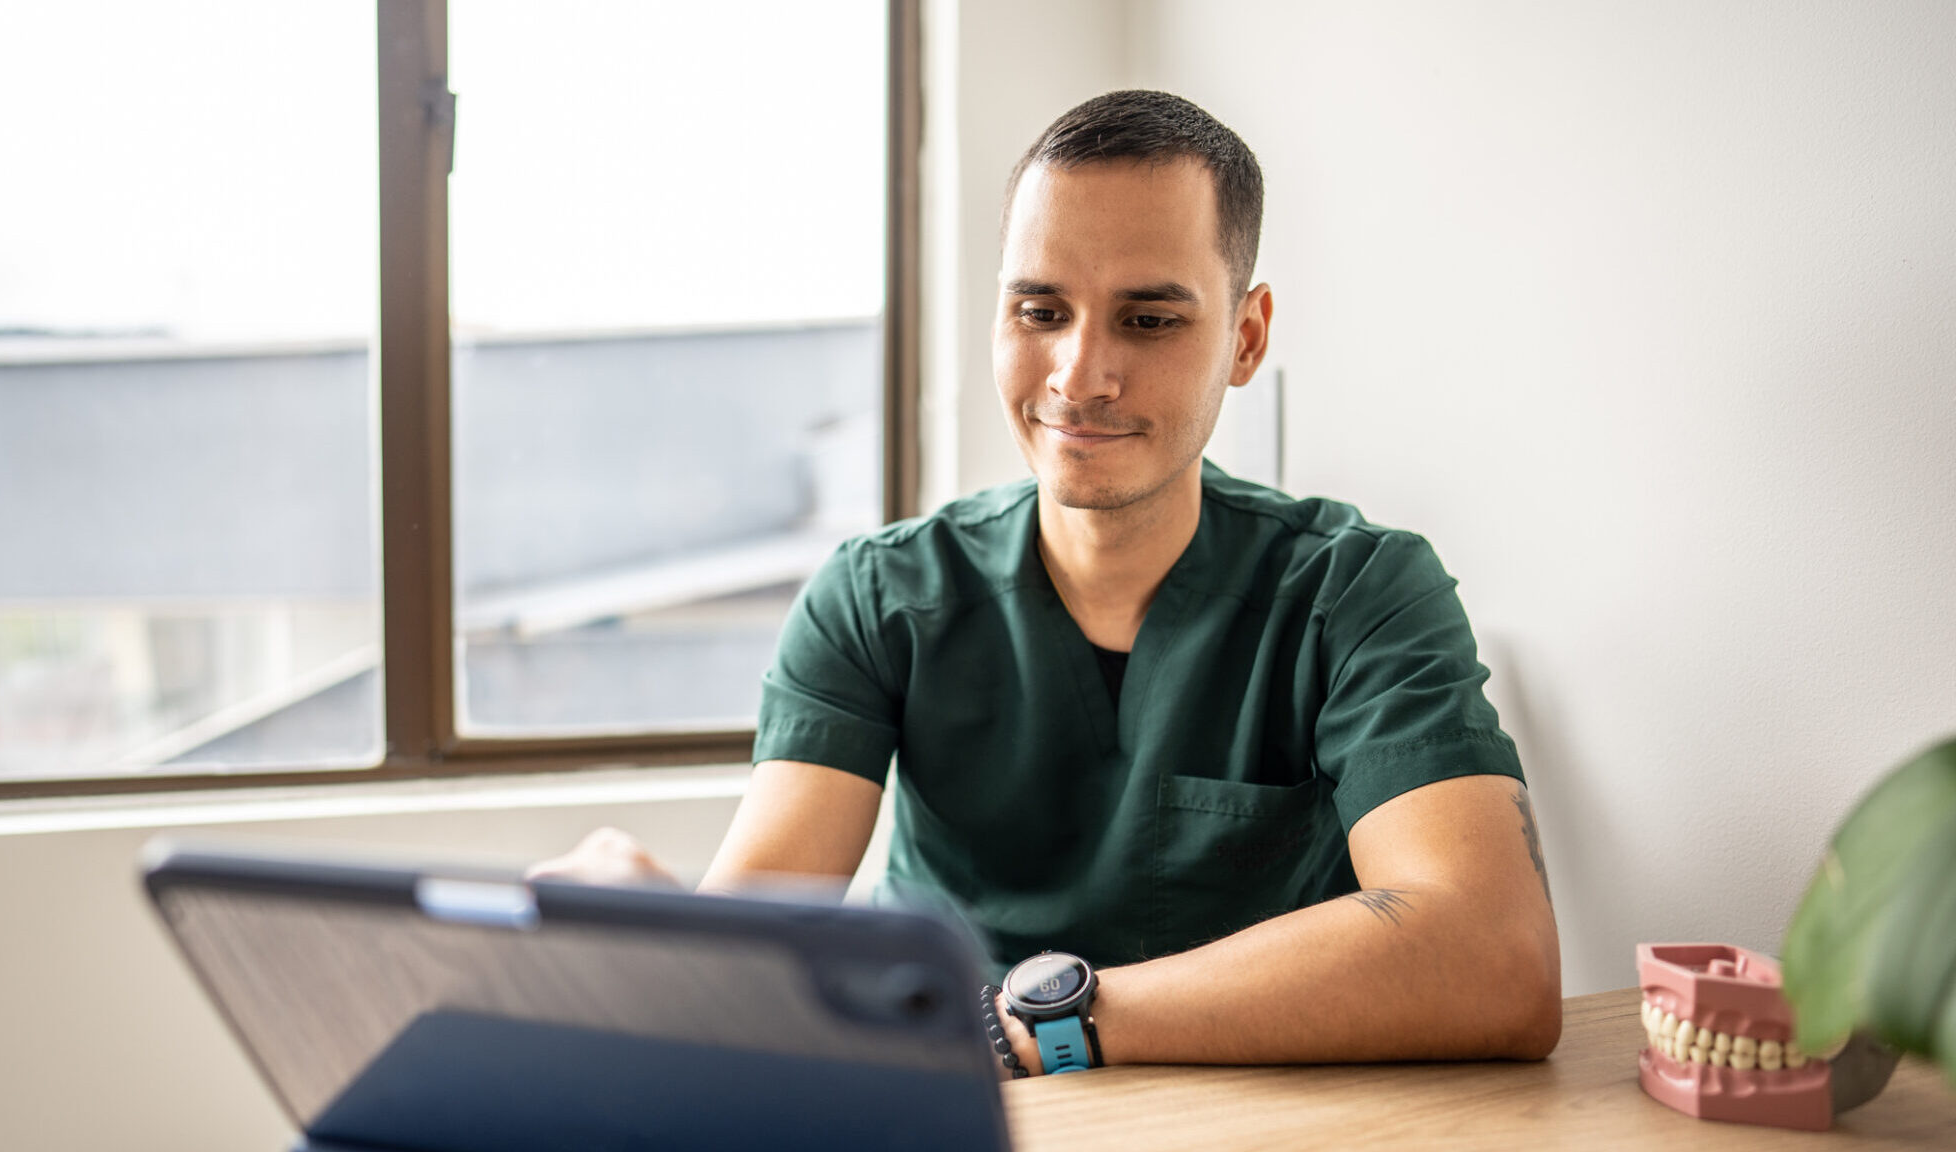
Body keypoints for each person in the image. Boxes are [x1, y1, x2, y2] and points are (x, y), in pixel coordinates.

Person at [534, 90, 1561, 1074]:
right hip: (945, 1107)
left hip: (1243, 1117)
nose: (1078, 374)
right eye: (1039, 310)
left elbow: (1492, 961)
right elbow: (749, 948)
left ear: (1243, 337)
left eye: (1148, 320)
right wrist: (653, 933)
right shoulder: (879, 597)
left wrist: (1030, 1022)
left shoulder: (1360, 593)